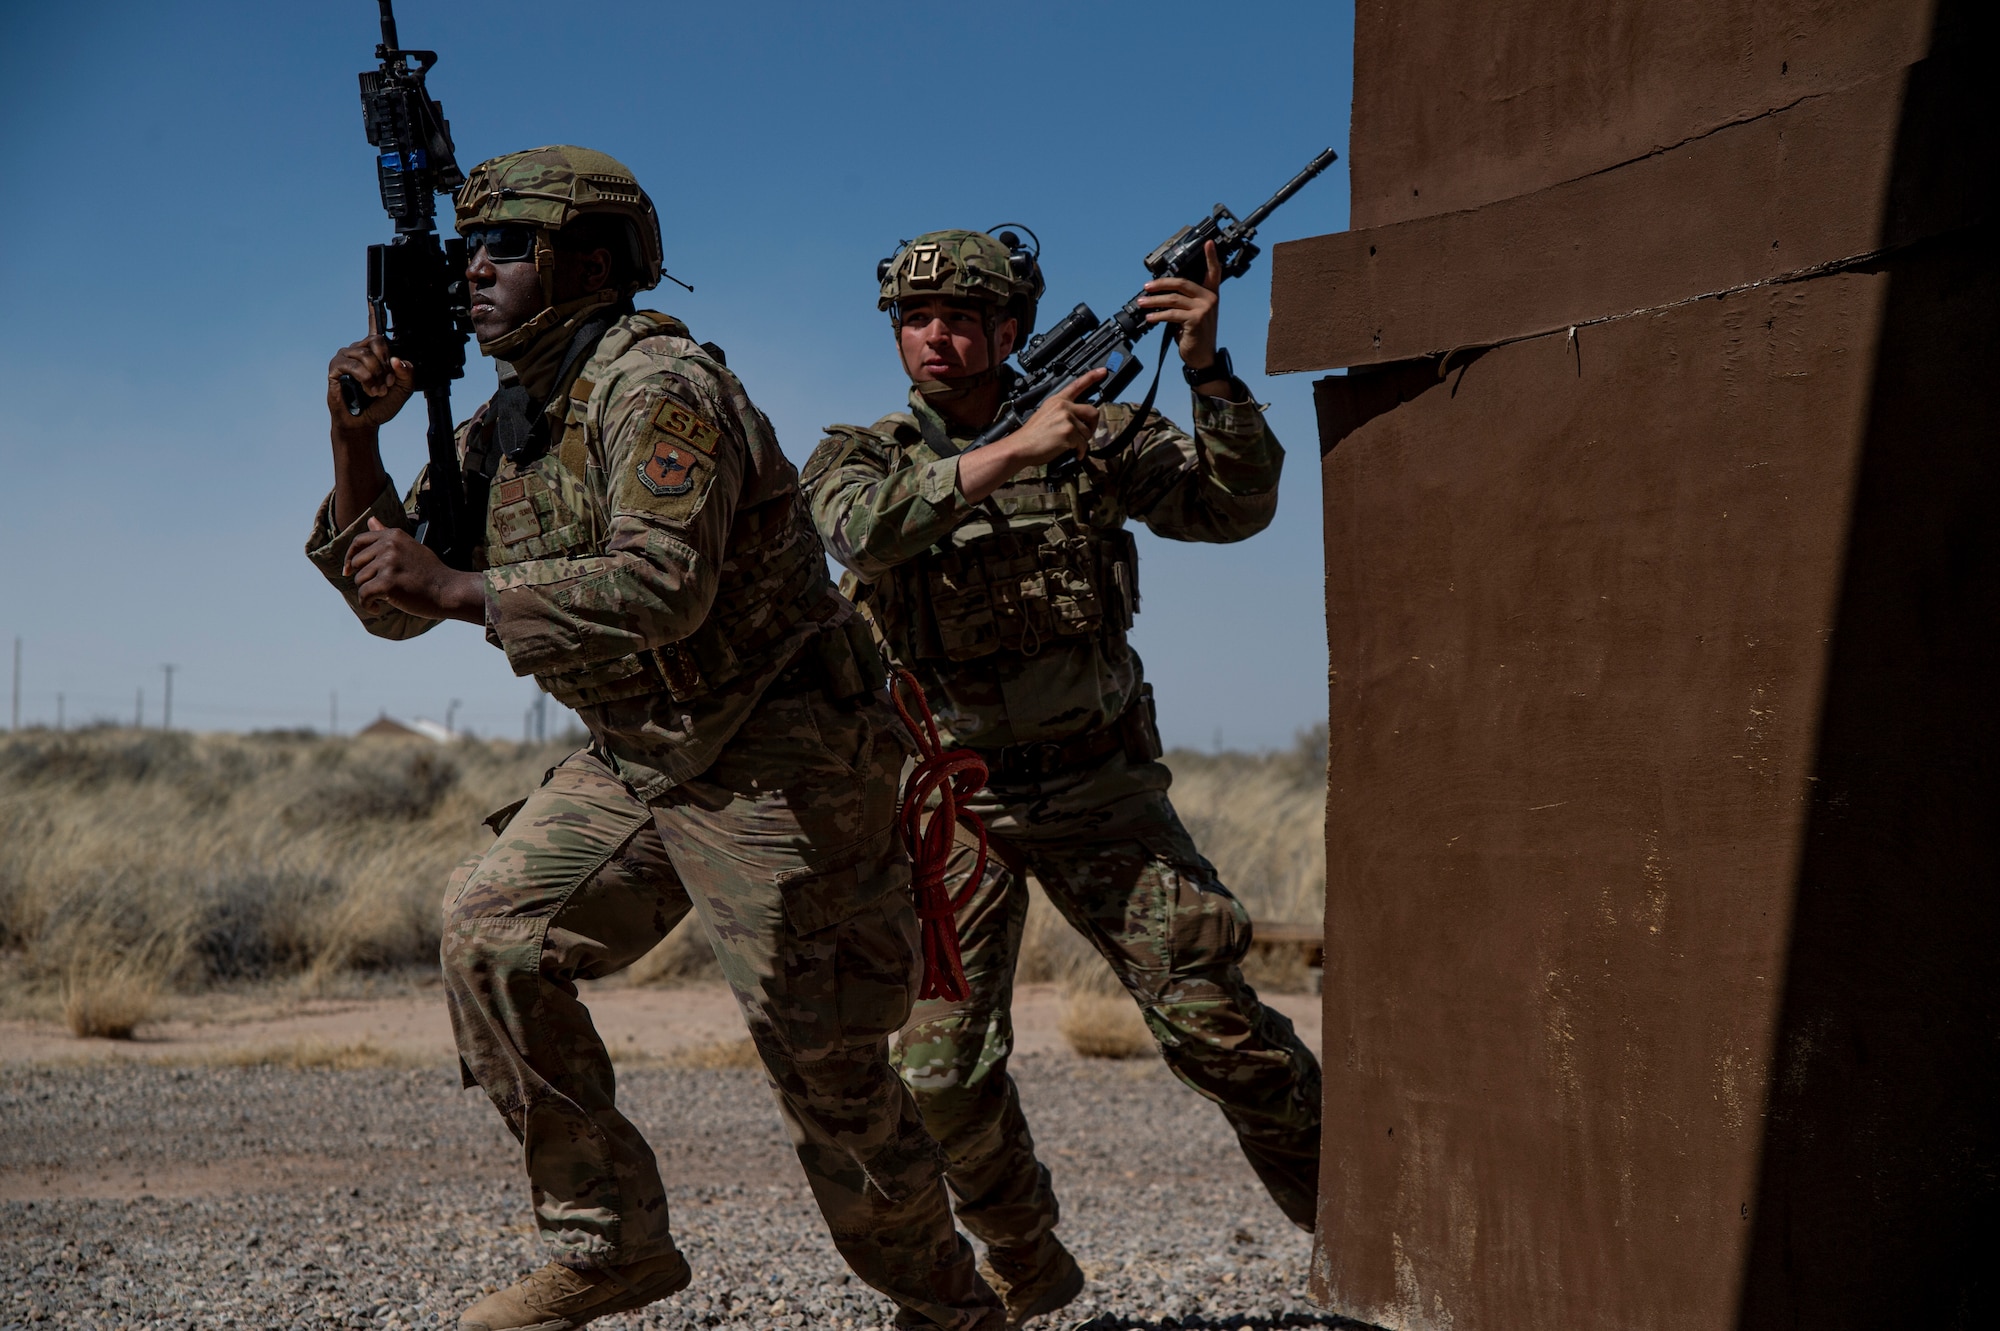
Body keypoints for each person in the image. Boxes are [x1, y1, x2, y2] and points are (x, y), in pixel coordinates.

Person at [307, 149, 1005, 1331]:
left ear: (590, 261)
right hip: (642, 749)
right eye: (470, 247)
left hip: (784, 757)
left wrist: (463, 585)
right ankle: (609, 1245)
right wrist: (355, 443)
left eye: (509, 244)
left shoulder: (659, 388)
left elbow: (659, 585)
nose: (475, 268)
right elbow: (390, 601)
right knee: (494, 935)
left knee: (827, 1070)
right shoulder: (505, 427)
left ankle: (952, 1310)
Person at [802, 229, 1324, 1325]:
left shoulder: (1094, 436)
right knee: (939, 1073)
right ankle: (1021, 1261)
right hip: (951, 805)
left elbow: (1235, 506)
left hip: (1100, 791)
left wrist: (1206, 365)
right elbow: (856, 530)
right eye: (915, 317)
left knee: (1217, 1029)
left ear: (1009, 331)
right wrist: (1011, 452)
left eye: (959, 318)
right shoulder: (864, 448)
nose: (933, 337)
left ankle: (1364, 1232)